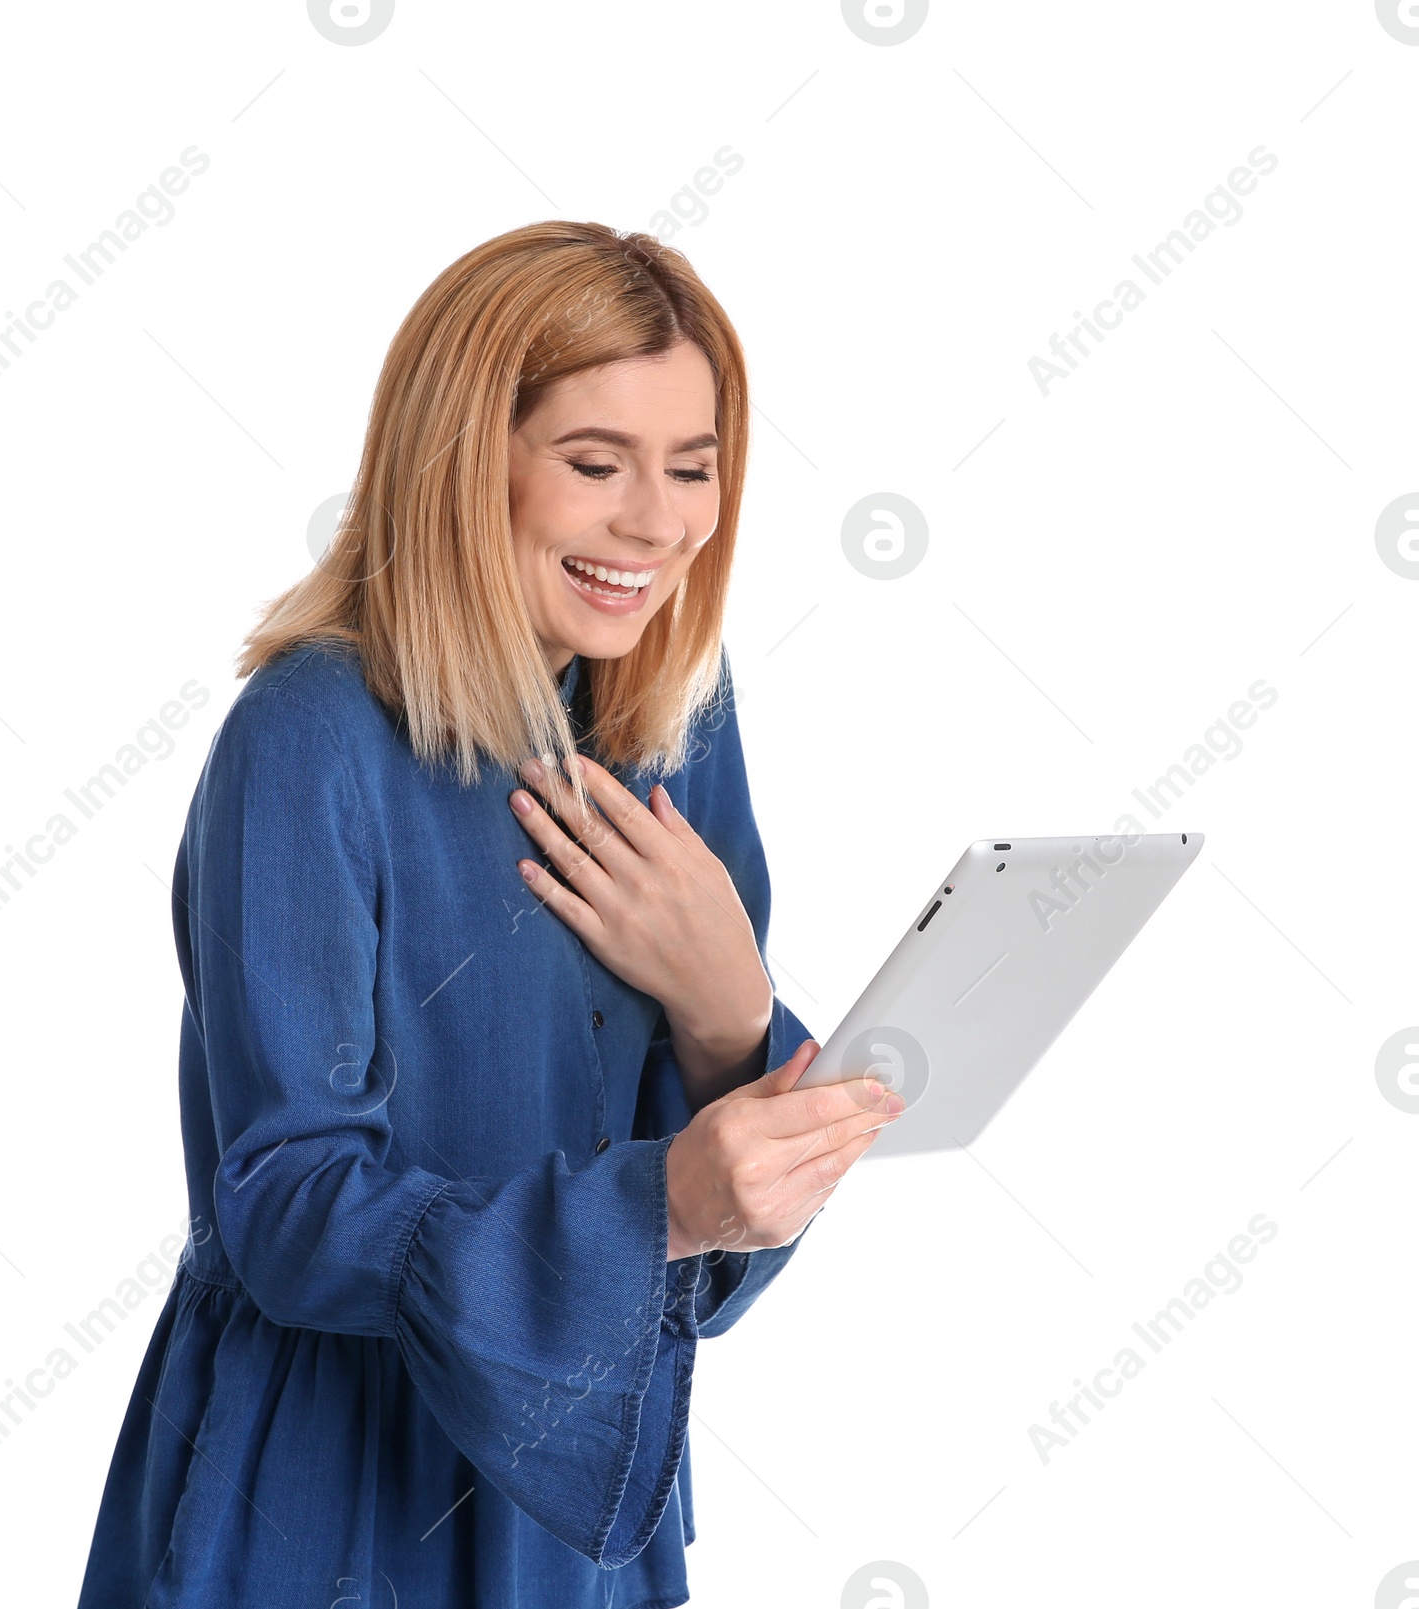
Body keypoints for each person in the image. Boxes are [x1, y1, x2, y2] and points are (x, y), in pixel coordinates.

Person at [75, 220, 902, 1609]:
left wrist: (730, 1021)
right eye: (595, 464)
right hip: (325, 1492)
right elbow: (282, 1209)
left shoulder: (673, 726)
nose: (658, 522)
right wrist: (661, 1202)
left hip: (574, 1493)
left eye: (692, 468)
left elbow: (702, 1261)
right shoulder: (309, 736)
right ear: (465, 462)